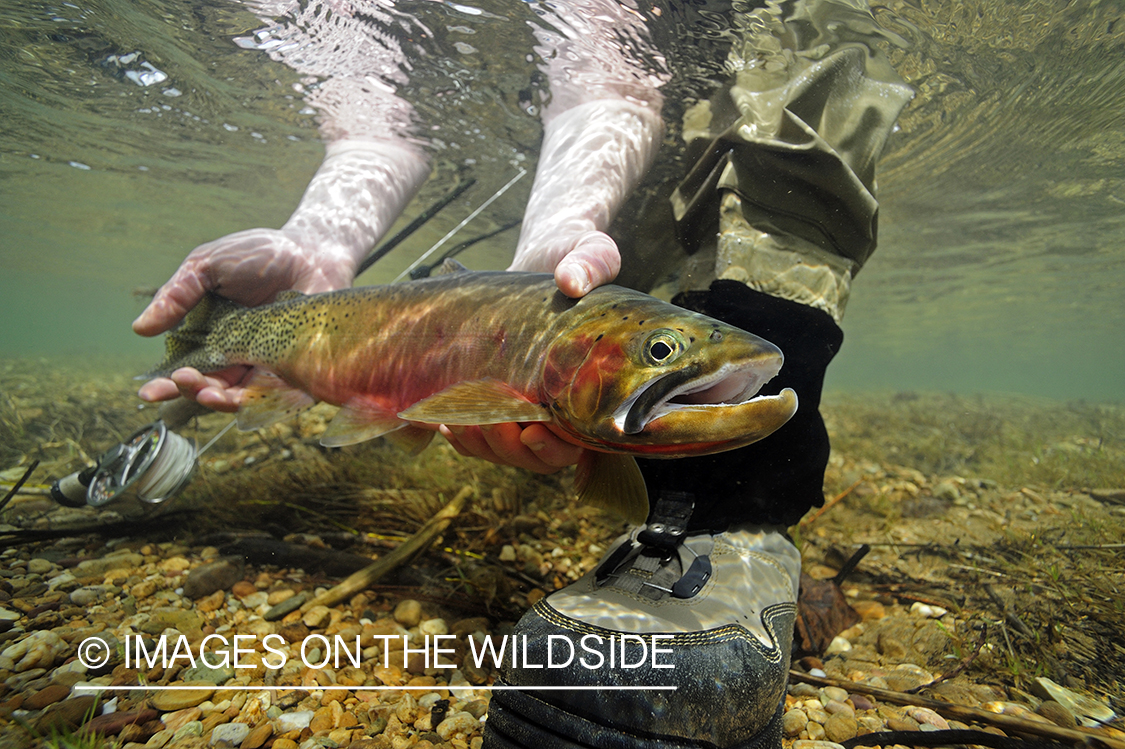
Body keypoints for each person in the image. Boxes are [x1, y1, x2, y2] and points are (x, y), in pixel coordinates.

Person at [134, 1, 913, 747]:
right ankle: (227, 336)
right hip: (404, 298)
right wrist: (316, 242)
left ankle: (730, 525)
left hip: (722, 88)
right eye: (662, 355)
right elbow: (381, 123)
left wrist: (559, 234)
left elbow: (604, 91)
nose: (672, 359)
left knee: (777, 158)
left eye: (663, 356)